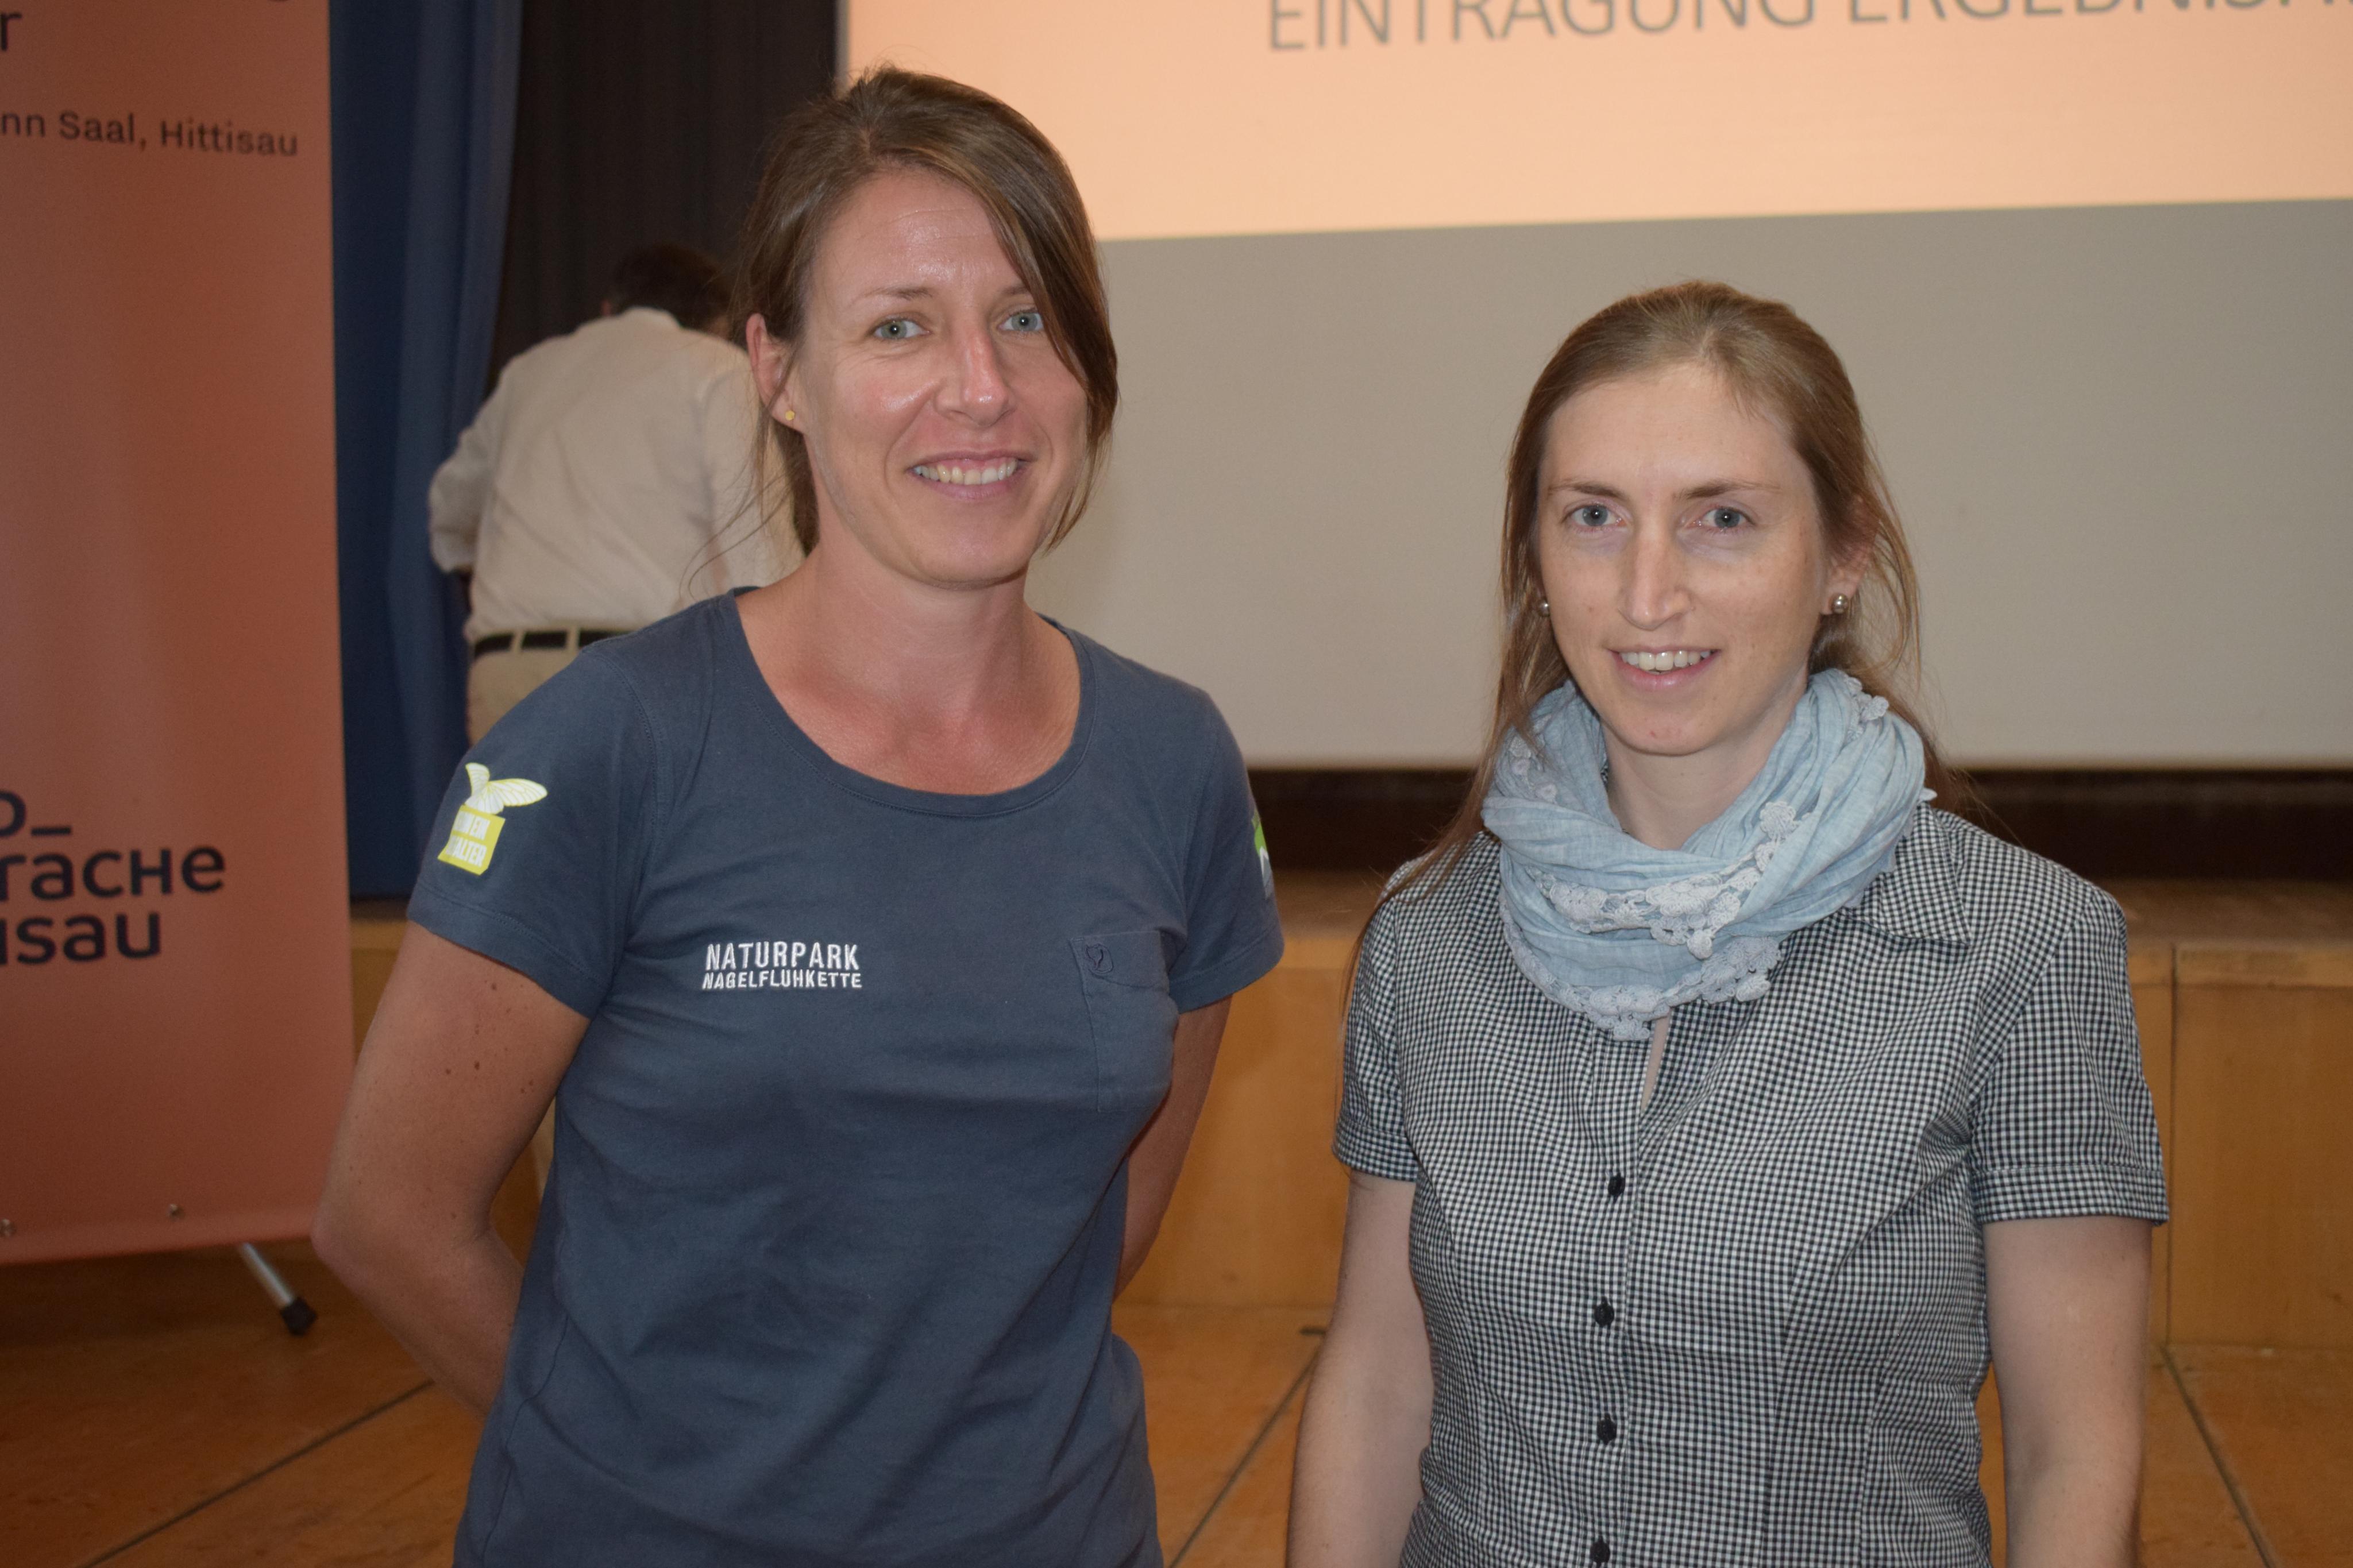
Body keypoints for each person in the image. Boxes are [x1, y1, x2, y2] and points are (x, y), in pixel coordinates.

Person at [314, 69, 1283, 1567]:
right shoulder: (608, 746)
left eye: (1026, 317)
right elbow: (389, 1217)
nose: (980, 386)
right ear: (773, 370)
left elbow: (1095, 1238)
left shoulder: (1175, 760)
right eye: (898, 326)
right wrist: (642, 1491)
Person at [1287, 282, 2163, 1567]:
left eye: (1723, 519)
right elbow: (1374, 1388)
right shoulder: (1427, 939)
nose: (1647, 594)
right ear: (1534, 562)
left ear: (1844, 556)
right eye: (1593, 517)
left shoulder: (2020, 951)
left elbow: (2070, 1454)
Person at [427, 242, 788, 744]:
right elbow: (756, 544)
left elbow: (449, 514)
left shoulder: (528, 373)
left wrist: (485, 558)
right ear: (713, 323)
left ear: (608, 309)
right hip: (644, 673)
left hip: (510, 671)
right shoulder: (717, 368)